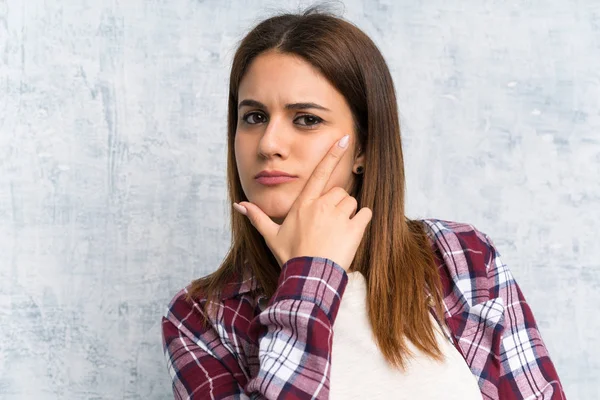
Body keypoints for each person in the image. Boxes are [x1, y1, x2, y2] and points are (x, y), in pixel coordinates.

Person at [161, 6, 565, 399]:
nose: (268, 144)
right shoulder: (201, 319)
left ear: (363, 148)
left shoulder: (462, 259)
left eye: (306, 119)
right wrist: (310, 277)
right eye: (253, 117)